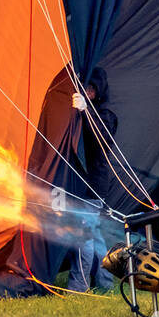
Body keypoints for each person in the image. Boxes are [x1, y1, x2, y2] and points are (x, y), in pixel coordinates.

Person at [69, 67, 119, 293]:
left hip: (92, 185)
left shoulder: (106, 114)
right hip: (90, 183)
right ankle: (105, 283)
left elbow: (101, 140)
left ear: (98, 92)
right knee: (96, 237)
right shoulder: (92, 111)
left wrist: (86, 111)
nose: (87, 92)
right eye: (85, 88)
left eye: (91, 89)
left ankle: (78, 286)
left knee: (83, 237)